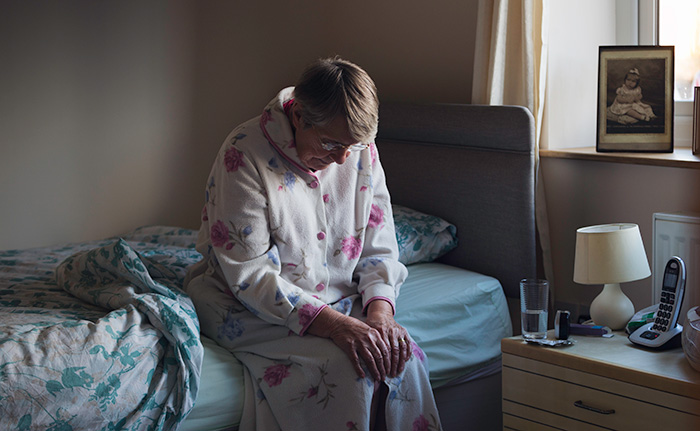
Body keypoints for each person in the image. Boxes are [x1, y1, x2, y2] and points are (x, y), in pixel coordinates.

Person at [184, 57, 442, 431]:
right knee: (346, 373)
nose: (341, 158)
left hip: (336, 301)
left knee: (403, 359)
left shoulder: (358, 149)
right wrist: (335, 326)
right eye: (331, 143)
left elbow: (378, 242)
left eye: (352, 148)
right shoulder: (243, 154)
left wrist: (380, 316)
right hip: (247, 305)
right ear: (300, 116)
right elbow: (250, 275)